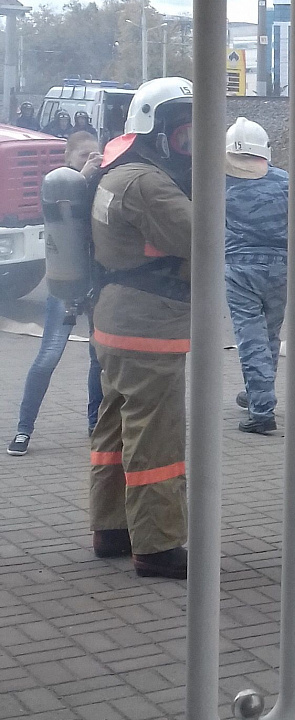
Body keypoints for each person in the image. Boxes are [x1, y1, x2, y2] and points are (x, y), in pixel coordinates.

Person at [87, 77, 195, 579]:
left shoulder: (116, 171)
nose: (190, 147)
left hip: (115, 318)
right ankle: (157, 545)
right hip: (149, 323)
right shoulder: (148, 183)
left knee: (115, 424)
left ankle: (111, 528)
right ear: (157, 134)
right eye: (183, 137)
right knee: (156, 436)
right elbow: (200, 237)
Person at [223, 117, 295, 435]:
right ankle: (259, 391)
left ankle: (262, 408)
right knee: (267, 336)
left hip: (239, 268)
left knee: (250, 336)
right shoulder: (285, 181)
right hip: (284, 268)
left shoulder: (218, 181)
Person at [7, 132, 105, 457]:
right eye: (83, 156)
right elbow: (62, 213)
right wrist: (84, 175)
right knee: (48, 357)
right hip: (65, 284)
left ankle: (96, 424)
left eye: (96, 155)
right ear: (67, 160)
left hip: (96, 281)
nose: (92, 160)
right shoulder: (59, 187)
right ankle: (24, 429)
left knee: (98, 359)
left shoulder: (100, 189)